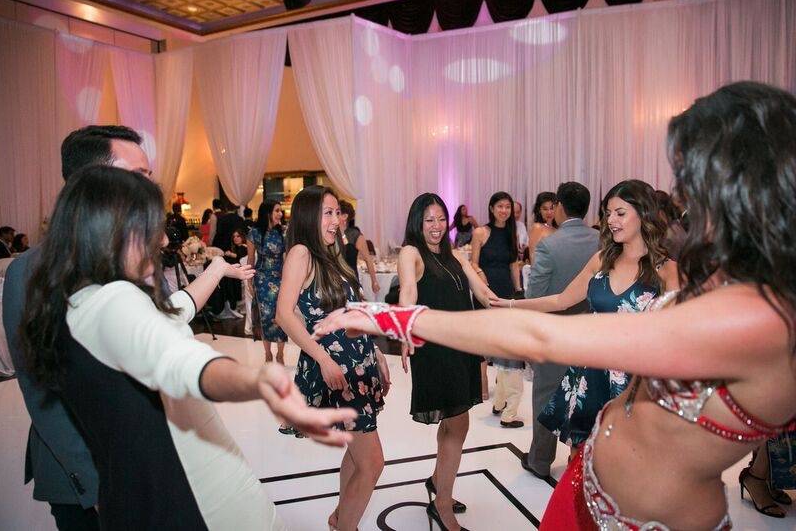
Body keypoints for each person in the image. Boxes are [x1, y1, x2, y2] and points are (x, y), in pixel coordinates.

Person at [314, 81, 796, 530]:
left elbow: (543, 335)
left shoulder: (758, 320)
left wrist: (395, 316)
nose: (680, 199)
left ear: (741, 190)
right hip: (589, 481)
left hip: (640, 517)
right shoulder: (722, 280)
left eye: (692, 182)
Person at [18, 166, 355, 530]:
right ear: (112, 231)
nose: (163, 242)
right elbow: (180, 360)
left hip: (140, 494)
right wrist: (258, 381)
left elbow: (173, 312)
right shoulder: (112, 302)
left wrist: (215, 271)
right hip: (193, 494)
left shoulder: (79, 299)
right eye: (151, 226)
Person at [3, 125, 152, 530]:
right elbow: (45, 397)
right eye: (137, 176)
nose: (149, 189)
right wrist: (99, 486)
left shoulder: (132, 260)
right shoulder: (32, 272)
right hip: (89, 486)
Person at [529, 180, 678, 457]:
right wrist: (511, 304)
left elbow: (678, 337)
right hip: (590, 373)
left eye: (620, 213)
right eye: (608, 213)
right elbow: (561, 300)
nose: (611, 221)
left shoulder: (667, 271)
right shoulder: (602, 259)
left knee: (623, 467)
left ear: (644, 214)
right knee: (580, 459)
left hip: (635, 383)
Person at [276, 185, 391, 531]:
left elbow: (352, 311)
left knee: (358, 457)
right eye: (328, 212)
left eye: (337, 212)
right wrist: (324, 360)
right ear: (310, 216)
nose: (336, 220)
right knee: (372, 463)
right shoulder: (302, 253)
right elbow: (284, 314)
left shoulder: (334, 253)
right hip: (337, 370)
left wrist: (376, 353)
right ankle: (346, 526)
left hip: (359, 364)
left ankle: (341, 517)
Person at [398, 193, 496, 531]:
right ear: (417, 223)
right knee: (458, 423)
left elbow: (482, 294)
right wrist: (405, 330)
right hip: (436, 350)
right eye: (429, 220)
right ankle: (442, 502)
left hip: (463, 345)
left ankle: (438, 481)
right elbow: (408, 291)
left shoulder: (455, 254)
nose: (436, 226)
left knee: (453, 421)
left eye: (441, 219)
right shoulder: (411, 253)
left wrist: (515, 308)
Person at [520, 181, 599, 480]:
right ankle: (577, 461)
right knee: (584, 396)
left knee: (546, 395)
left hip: (554, 332)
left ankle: (540, 460)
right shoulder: (602, 240)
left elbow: (535, 294)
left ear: (561, 207)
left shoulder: (550, 245)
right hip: (590, 332)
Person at [471, 191, 524, 424]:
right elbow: (473, 261)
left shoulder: (512, 233)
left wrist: (518, 290)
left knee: (504, 342)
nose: (504, 210)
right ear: (491, 208)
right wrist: (481, 277)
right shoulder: (481, 232)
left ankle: (500, 395)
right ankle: (483, 385)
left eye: (507, 207)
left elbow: (513, 264)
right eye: (500, 206)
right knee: (484, 338)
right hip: (484, 289)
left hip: (505, 289)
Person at [248, 199, 288, 365]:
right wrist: (249, 281)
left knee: (280, 316)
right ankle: (267, 353)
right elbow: (250, 259)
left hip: (280, 279)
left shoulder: (283, 232)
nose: (280, 214)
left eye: (280, 211)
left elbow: (286, 259)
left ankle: (280, 354)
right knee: (265, 317)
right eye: (277, 210)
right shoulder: (254, 233)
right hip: (262, 280)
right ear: (267, 213)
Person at [339, 200, 379, 296]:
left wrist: (374, 281)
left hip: (350, 280)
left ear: (345, 216)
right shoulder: (331, 235)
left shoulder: (355, 235)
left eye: (337, 213)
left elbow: (368, 259)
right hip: (333, 281)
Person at [528, 192, 557, 264]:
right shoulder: (537, 227)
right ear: (539, 210)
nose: (549, 212)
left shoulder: (560, 228)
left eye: (552, 208)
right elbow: (532, 255)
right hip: (543, 271)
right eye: (545, 209)